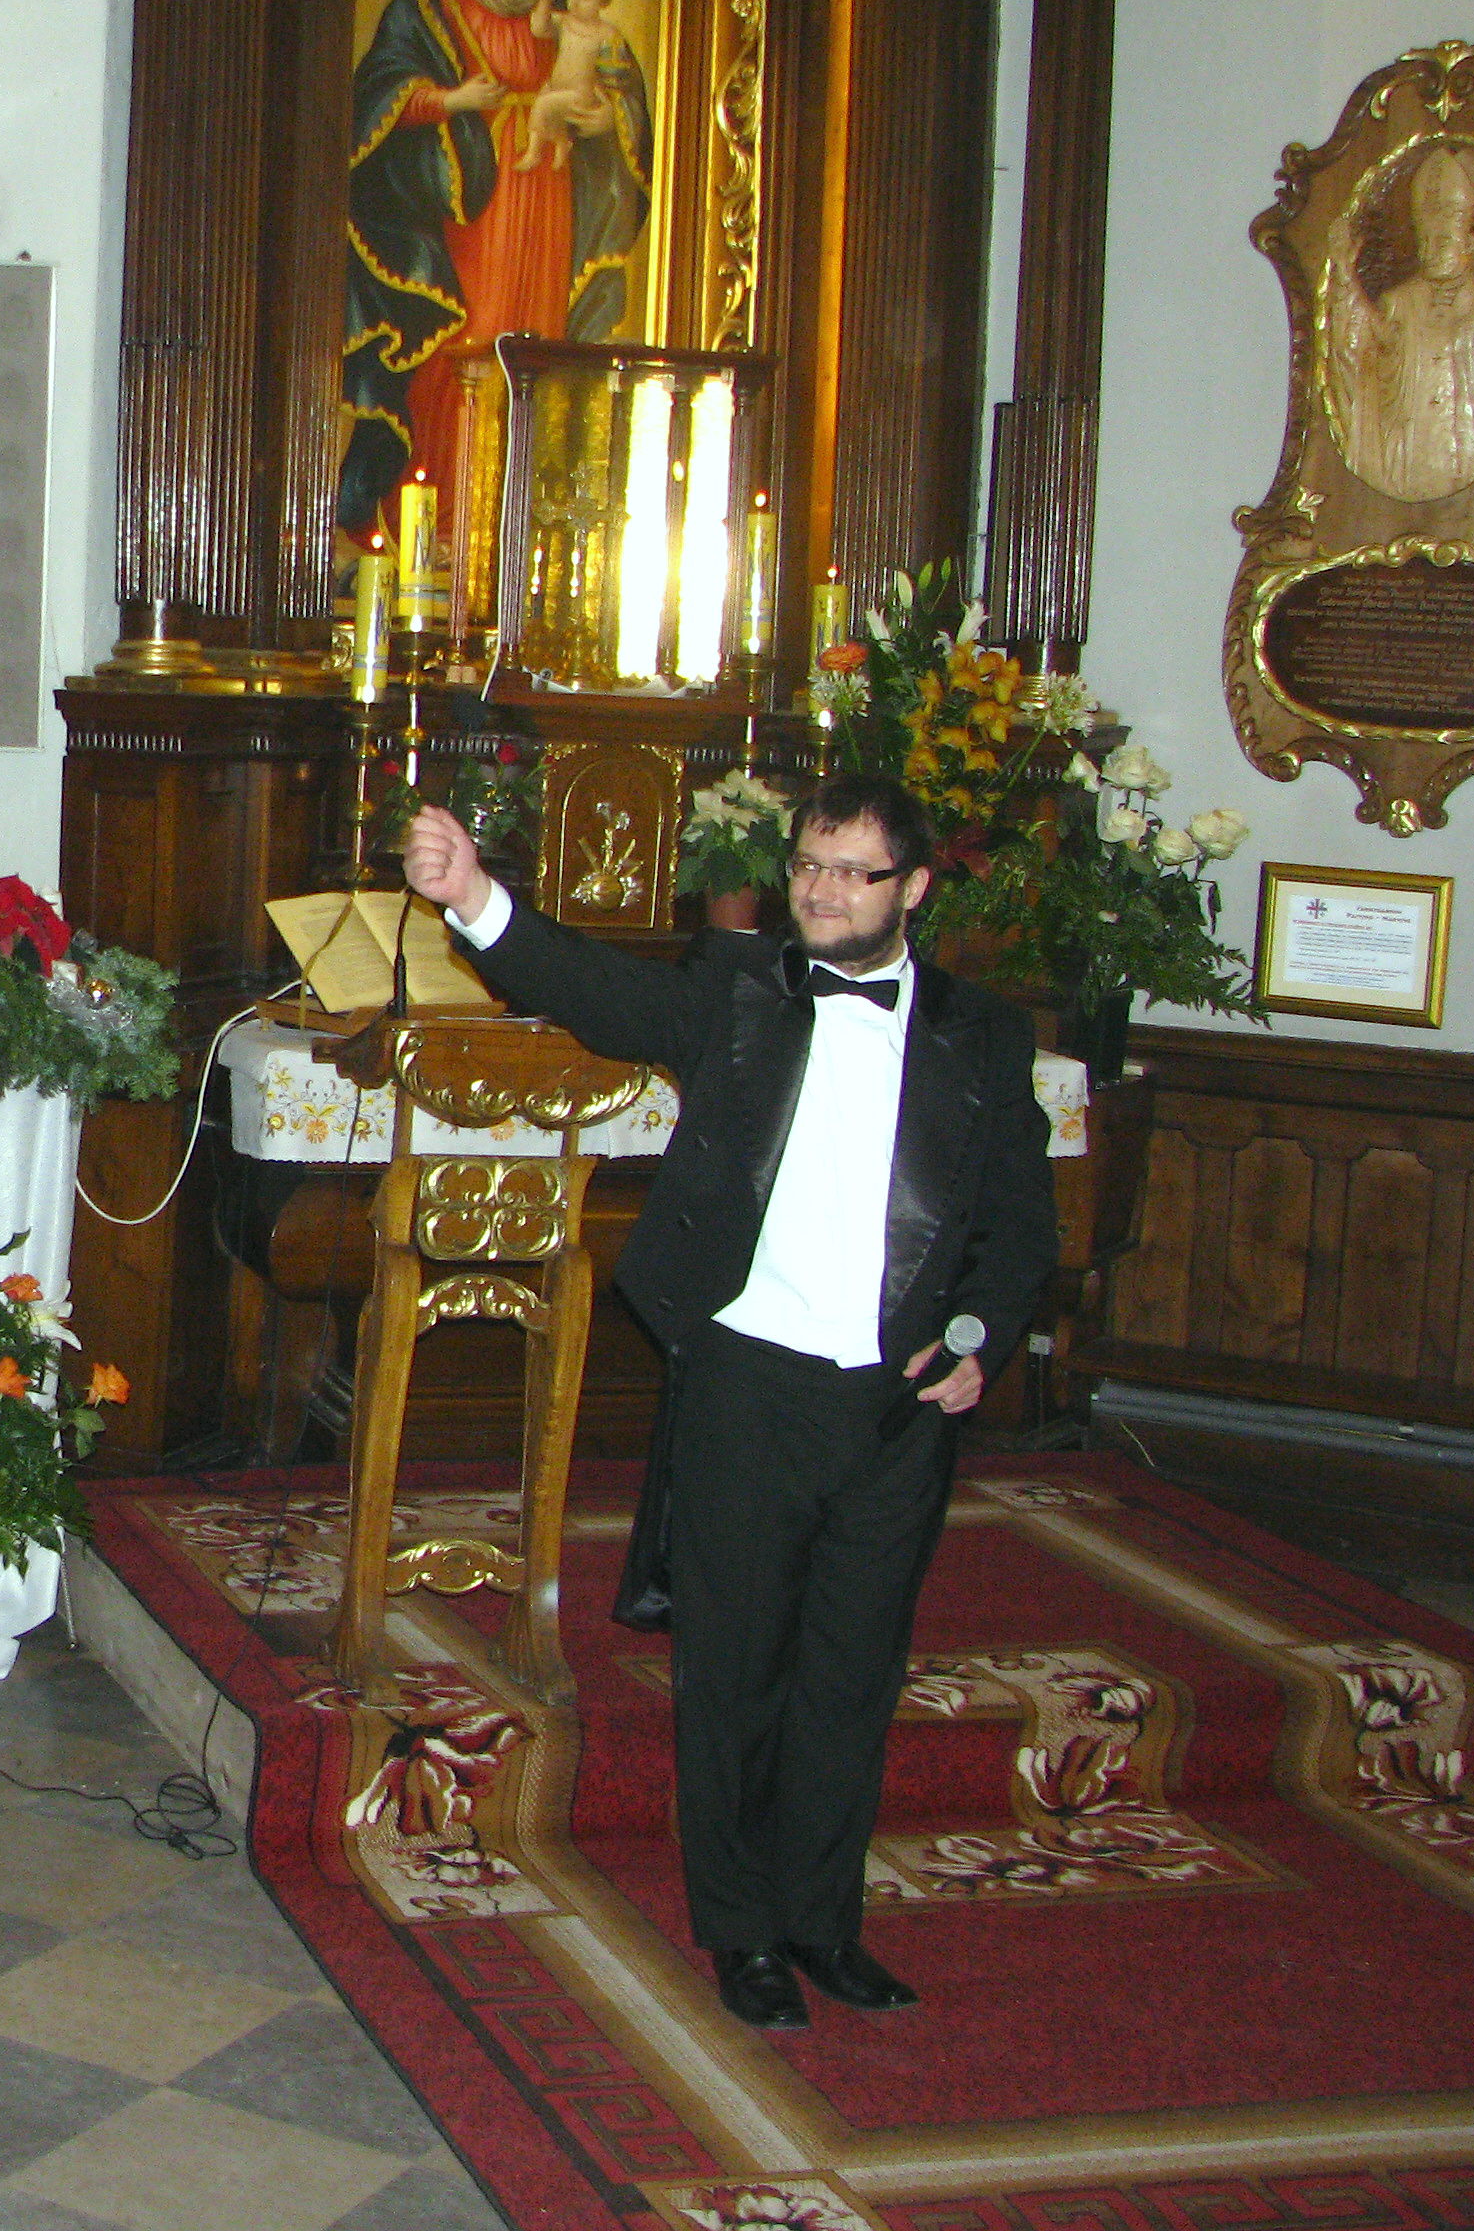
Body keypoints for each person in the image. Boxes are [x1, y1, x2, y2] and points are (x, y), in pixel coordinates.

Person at [399, 771, 1054, 2032]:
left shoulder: (983, 1035)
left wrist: (979, 1336)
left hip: (898, 1403)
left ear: (914, 888)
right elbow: (599, 990)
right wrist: (475, 896)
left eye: (853, 872)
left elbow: (1017, 1221)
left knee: (851, 1673)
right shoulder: (739, 988)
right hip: (749, 1383)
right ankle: (744, 1932)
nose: (822, 891)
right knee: (736, 1671)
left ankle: (824, 1923)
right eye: (809, 865)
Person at [339, 0, 653, 536]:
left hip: (547, 193)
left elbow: (621, 92)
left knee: (534, 350)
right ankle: (440, 526)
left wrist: (609, 119)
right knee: (464, 340)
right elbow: (378, 92)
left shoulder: (565, 3)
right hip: (469, 199)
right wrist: (453, 99)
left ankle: (519, 533)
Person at [1328, 139, 1474, 502]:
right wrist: (1346, 278)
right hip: (1408, 451)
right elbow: (1358, 348)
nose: (1432, 249)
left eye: (1443, 240)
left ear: (1469, 242)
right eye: (1426, 239)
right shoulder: (1400, 302)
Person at [521, 0, 630, 171]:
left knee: (542, 105)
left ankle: (533, 153)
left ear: (603, 1)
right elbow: (538, 28)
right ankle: (562, 148)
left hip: (581, 94)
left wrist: (608, 103)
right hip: (556, 86)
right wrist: (544, 1)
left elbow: (617, 77)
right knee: (552, 116)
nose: (576, 2)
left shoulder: (607, 33)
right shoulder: (565, 21)